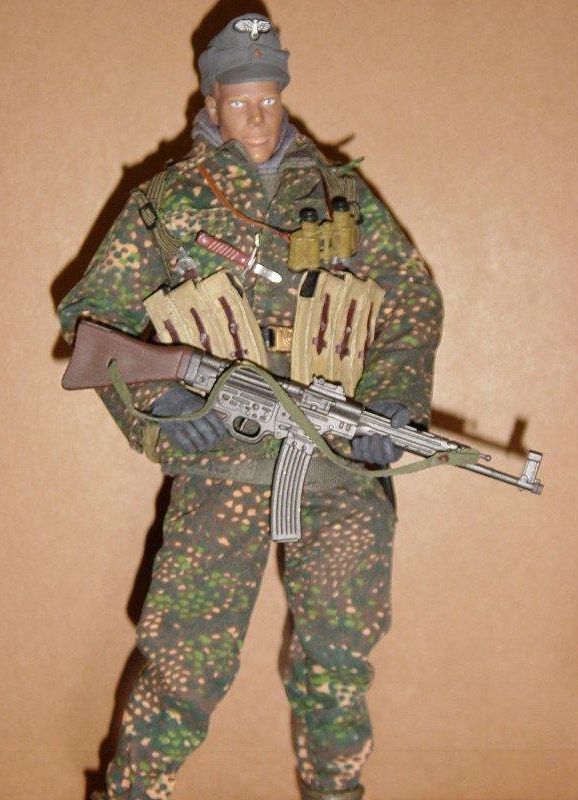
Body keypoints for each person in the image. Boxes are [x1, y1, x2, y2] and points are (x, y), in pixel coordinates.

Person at [57, 12, 443, 800]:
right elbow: (91, 316)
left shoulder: (339, 194)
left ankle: (335, 790)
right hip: (222, 463)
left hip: (335, 462)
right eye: (240, 102)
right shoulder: (167, 201)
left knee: (338, 661)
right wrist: (163, 404)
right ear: (211, 101)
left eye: (269, 98)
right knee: (184, 659)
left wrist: (393, 400)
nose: (258, 118)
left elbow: (411, 298)